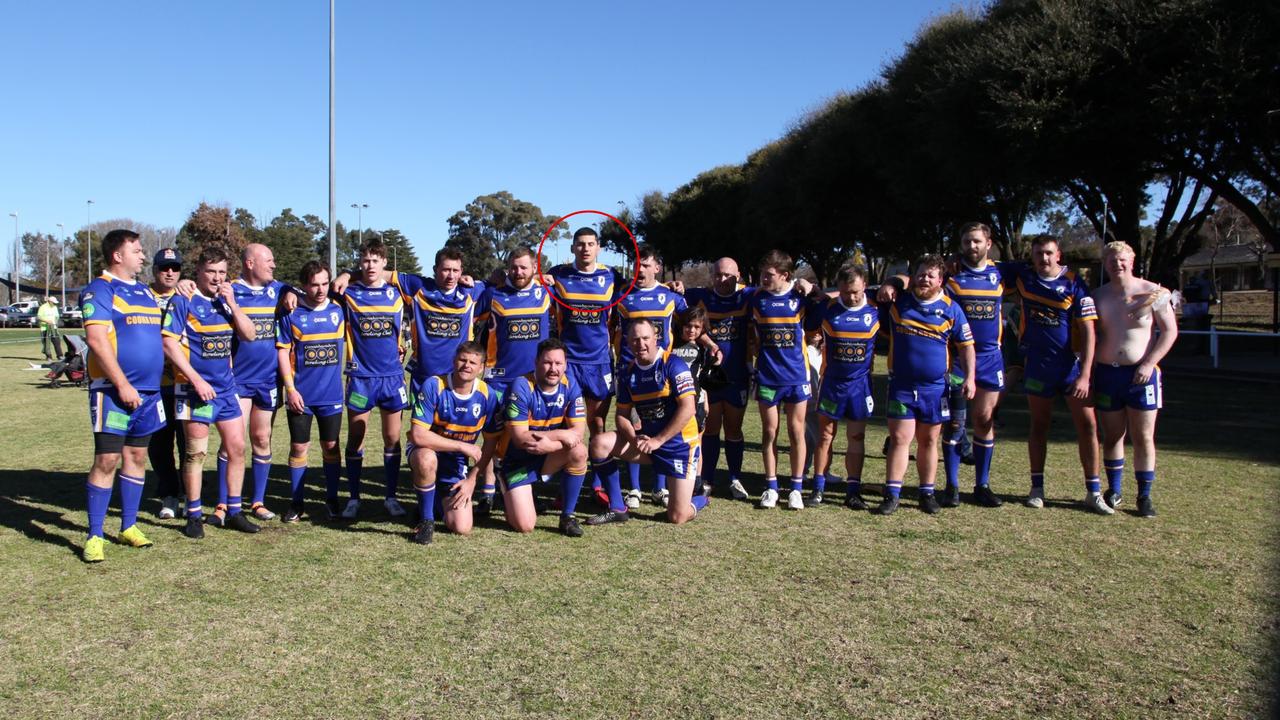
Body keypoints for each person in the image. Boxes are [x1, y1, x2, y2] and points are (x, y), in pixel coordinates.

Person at [78, 229, 166, 562]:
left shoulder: (144, 292)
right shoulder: (100, 289)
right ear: (118, 255)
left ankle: (128, 526)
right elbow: (97, 341)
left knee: (137, 459)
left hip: (148, 393)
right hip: (113, 392)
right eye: (138, 251)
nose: (143, 256)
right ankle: (95, 534)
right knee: (107, 460)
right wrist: (123, 385)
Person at [161, 245, 260, 537]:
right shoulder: (184, 299)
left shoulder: (227, 301)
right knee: (195, 454)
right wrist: (196, 380)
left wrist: (233, 303)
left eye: (222, 272)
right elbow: (168, 344)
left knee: (237, 449)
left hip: (226, 390)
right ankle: (193, 514)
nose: (217, 278)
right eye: (211, 272)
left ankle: (234, 511)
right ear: (199, 272)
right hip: (194, 390)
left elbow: (250, 334)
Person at [1009, 236, 1105, 513]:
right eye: (1038, 253)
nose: (1044, 258)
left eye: (1049, 253)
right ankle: (1037, 488)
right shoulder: (1024, 278)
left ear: (1059, 255)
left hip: (1071, 367)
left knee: (1088, 426)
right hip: (1038, 365)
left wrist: (1085, 374)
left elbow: (1088, 332)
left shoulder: (1074, 283)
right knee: (1039, 426)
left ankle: (1093, 491)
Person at [876, 255, 976, 515]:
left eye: (931, 275)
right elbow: (867, 290)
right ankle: (892, 494)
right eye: (921, 274)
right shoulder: (900, 303)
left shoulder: (952, 309)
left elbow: (967, 347)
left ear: (940, 280)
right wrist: (890, 282)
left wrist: (971, 377)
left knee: (929, 440)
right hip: (902, 385)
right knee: (899, 439)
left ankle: (926, 492)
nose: (925, 279)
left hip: (935, 388)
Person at [588, 319, 708, 526]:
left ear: (656, 339)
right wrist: (634, 439)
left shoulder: (673, 364)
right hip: (649, 444)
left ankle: (702, 497)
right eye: (634, 340)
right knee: (599, 444)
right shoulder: (628, 373)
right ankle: (617, 508)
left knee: (677, 517)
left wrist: (658, 440)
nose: (640, 344)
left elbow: (688, 408)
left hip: (679, 446)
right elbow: (622, 416)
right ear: (627, 342)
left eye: (645, 338)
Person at [1092, 241, 1178, 517]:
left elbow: (1169, 332)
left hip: (1141, 375)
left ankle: (1144, 495)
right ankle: (1114, 490)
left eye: (1122, 260)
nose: (1117, 265)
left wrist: (1149, 363)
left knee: (1143, 436)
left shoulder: (1153, 293)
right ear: (1105, 264)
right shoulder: (1098, 296)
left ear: (1132, 261)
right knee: (1113, 434)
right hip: (1107, 372)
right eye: (1111, 260)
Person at [547, 228, 624, 509]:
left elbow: (641, 286)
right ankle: (566, 485)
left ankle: (597, 483)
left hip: (600, 361)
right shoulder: (559, 274)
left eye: (590, 244)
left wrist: (670, 287)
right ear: (572, 248)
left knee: (598, 424)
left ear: (599, 247)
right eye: (580, 245)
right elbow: (528, 274)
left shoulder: (612, 276)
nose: (585, 249)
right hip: (570, 362)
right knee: (567, 424)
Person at [472, 246, 552, 514]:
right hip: (499, 380)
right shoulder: (493, 294)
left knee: (527, 438)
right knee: (493, 439)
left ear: (534, 269)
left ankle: (524, 489)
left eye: (524, 267)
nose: (518, 272)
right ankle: (486, 493)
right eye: (514, 267)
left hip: (533, 382)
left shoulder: (546, 293)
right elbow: (465, 312)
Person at [336, 238, 411, 520]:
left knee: (392, 438)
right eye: (365, 260)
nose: (370, 265)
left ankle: (390, 497)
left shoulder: (397, 294)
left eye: (375, 260)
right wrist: (345, 274)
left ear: (384, 263)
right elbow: (317, 288)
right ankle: (353, 497)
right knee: (356, 436)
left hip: (392, 378)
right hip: (361, 378)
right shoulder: (348, 293)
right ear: (360, 263)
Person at [406, 342, 503, 544]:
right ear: (454, 361)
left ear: (481, 368)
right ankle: (426, 521)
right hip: (426, 450)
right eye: (462, 360)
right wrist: (462, 446)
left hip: (456, 462)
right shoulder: (435, 385)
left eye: (473, 362)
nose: (467, 365)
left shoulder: (488, 395)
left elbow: (490, 443)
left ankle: (434, 502)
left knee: (462, 527)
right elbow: (418, 435)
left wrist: (472, 480)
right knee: (426, 459)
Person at [613, 245, 687, 508]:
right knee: (635, 428)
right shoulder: (620, 295)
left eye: (646, 264)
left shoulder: (671, 296)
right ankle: (633, 488)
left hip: (661, 375)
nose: (640, 269)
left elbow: (692, 323)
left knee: (659, 428)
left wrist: (710, 345)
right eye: (636, 264)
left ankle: (660, 487)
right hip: (629, 374)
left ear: (657, 267)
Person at [224, 243, 291, 521]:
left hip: (268, 380)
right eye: (269, 260)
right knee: (233, 443)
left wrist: (290, 294)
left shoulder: (277, 289)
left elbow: (294, 289)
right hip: (238, 380)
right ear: (250, 263)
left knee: (262, 438)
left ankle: (258, 501)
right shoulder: (230, 290)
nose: (274, 265)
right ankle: (225, 502)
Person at [276, 261, 347, 522]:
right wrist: (290, 389)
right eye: (314, 284)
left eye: (324, 283)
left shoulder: (340, 309)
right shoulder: (290, 314)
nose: (320, 289)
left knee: (330, 445)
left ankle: (331, 499)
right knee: (298, 447)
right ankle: (296, 502)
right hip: (301, 396)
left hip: (331, 395)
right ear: (304, 285)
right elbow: (282, 352)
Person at [499, 338, 590, 537]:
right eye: (547, 362)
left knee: (579, 451)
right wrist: (559, 435)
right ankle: (505, 484)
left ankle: (567, 516)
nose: (553, 369)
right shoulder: (521, 386)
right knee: (525, 525)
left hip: (546, 456)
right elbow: (520, 438)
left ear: (565, 365)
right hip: (517, 461)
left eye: (558, 363)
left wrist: (549, 446)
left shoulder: (570, 384)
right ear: (536, 362)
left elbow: (577, 433)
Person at [748, 250, 816, 510]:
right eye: (762, 274)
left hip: (797, 376)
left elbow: (825, 299)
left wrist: (811, 285)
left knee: (796, 431)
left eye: (769, 275)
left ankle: (796, 488)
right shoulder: (757, 299)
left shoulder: (800, 297)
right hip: (767, 376)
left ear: (785, 275)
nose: (764, 278)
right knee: (769, 432)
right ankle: (771, 486)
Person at [807, 265, 878, 509]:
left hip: (860, 386)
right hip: (832, 385)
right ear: (839, 289)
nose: (852, 297)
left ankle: (853, 490)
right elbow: (808, 325)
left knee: (856, 436)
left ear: (865, 286)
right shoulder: (828, 310)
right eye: (846, 292)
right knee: (825, 436)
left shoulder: (876, 310)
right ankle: (818, 488)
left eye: (856, 291)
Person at [682, 258, 752, 499]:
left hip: (737, 377)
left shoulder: (748, 296)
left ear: (738, 276)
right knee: (709, 430)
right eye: (718, 275)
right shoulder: (700, 296)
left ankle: (735, 478)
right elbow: (685, 314)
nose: (722, 280)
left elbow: (775, 290)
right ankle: (708, 479)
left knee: (734, 429)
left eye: (728, 275)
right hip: (709, 378)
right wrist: (674, 285)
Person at [147, 248, 186, 519]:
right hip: (153, 384)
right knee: (160, 443)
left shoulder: (188, 295)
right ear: (155, 270)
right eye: (164, 268)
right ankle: (169, 494)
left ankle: (189, 492)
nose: (170, 273)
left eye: (174, 268)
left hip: (184, 382)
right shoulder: (142, 296)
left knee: (188, 443)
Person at [668, 306, 712, 499]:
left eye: (696, 327)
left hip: (697, 401)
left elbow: (704, 378)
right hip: (673, 401)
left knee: (696, 442)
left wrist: (706, 401)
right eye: (688, 326)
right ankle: (669, 482)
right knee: (672, 440)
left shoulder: (703, 349)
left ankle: (697, 481)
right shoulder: (672, 344)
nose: (691, 330)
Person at [38, 296, 63, 360]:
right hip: (45, 328)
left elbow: (57, 316)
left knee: (57, 342)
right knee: (46, 343)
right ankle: (48, 356)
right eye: (54, 302)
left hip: (54, 328)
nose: (55, 304)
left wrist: (56, 321)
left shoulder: (55, 307)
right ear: (50, 301)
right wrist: (47, 321)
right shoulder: (43, 307)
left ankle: (60, 355)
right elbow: (39, 317)